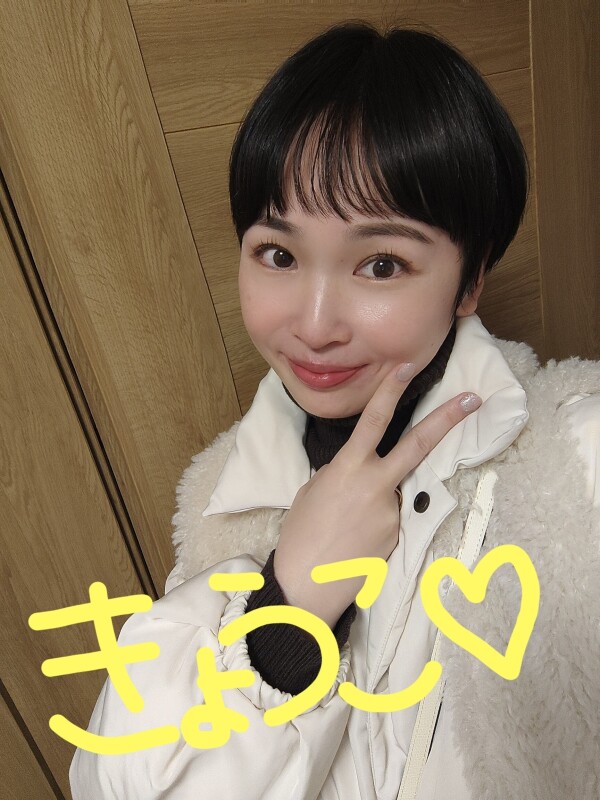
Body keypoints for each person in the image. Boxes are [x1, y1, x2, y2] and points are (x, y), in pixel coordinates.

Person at [70, 21, 600, 800]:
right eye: (279, 254)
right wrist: (285, 614)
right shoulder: (221, 499)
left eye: (381, 264)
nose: (315, 325)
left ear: (470, 281)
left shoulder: (579, 460)